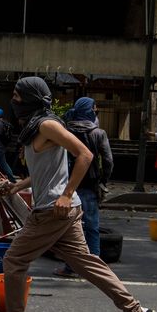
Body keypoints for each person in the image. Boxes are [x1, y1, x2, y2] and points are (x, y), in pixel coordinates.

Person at [0, 77, 156, 312]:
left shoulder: (47, 125)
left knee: (13, 261)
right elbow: (46, 171)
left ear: (31, 99)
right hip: (63, 209)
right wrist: (18, 185)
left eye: (18, 96)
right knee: (88, 264)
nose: (13, 101)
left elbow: (84, 154)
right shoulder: (33, 127)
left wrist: (65, 194)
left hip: (54, 209)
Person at [54, 97, 114, 278]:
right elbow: (109, 161)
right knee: (91, 227)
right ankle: (94, 270)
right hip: (89, 184)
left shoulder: (66, 130)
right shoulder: (98, 133)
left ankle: (70, 267)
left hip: (68, 185)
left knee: (70, 227)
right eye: (95, 109)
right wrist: (103, 180)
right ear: (90, 110)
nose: (96, 112)